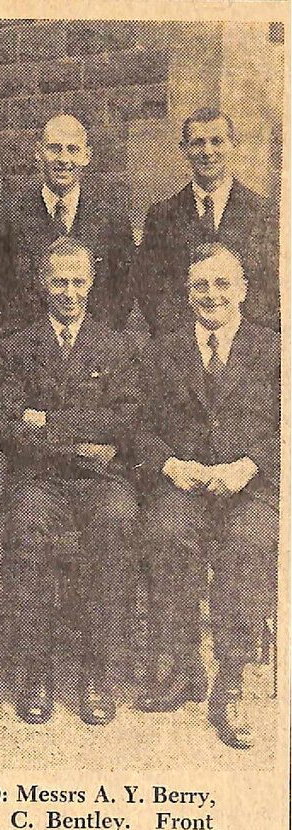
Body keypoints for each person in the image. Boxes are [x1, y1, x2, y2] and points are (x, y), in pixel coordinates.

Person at [135, 243, 279, 749]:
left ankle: (231, 681)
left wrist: (248, 465)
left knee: (249, 542)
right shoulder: (161, 350)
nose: (211, 295)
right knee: (166, 532)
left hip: (248, 485)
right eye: (201, 285)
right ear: (186, 292)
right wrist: (172, 465)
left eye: (222, 284)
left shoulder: (274, 350)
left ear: (243, 290)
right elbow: (140, 428)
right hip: (186, 484)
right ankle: (181, 664)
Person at [0, 237, 140, 726]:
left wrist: (50, 424)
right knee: (28, 531)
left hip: (101, 478)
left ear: (92, 283)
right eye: (59, 281)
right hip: (39, 479)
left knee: (117, 522)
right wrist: (80, 436)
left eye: (78, 282)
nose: (68, 291)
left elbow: (124, 422)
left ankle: (97, 673)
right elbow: (11, 427)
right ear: (43, 284)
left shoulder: (116, 346)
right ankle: (35, 675)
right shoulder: (17, 347)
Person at [0, 114, 136, 337]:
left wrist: (99, 337)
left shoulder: (111, 218)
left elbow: (124, 289)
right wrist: (19, 340)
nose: (63, 159)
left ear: (86, 155)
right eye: (54, 148)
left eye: (72, 149)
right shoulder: (9, 217)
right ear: (38, 152)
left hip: (92, 348)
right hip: (28, 348)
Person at [133, 107, 279, 336]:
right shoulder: (161, 216)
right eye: (198, 143)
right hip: (181, 350)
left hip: (246, 352)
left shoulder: (265, 213)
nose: (207, 151)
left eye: (217, 141)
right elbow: (149, 290)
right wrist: (187, 341)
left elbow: (271, 289)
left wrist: (233, 340)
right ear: (184, 149)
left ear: (233, 144)